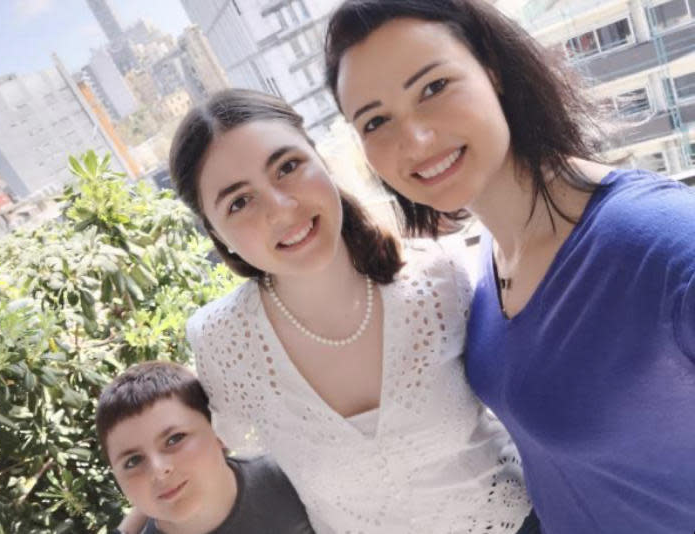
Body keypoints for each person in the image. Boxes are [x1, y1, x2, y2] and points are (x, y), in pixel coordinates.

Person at [324, 1, 695, 533]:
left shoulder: (664, 248)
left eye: (432, 87)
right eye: (376, 120)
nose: (415, 140)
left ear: (491, 69)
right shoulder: (483, 267)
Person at [165, 88, 537, 533]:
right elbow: (211, 457)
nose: (281, 209)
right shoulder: (221, 342)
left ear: (320, 159)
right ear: (216, 233)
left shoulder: (439, 277)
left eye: (288, 167)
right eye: (239, 201)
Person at [95, 360, 314, 534]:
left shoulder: (292, 477)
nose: (158, 469)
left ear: (219, 430)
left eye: (175, 439)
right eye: (133, 460)